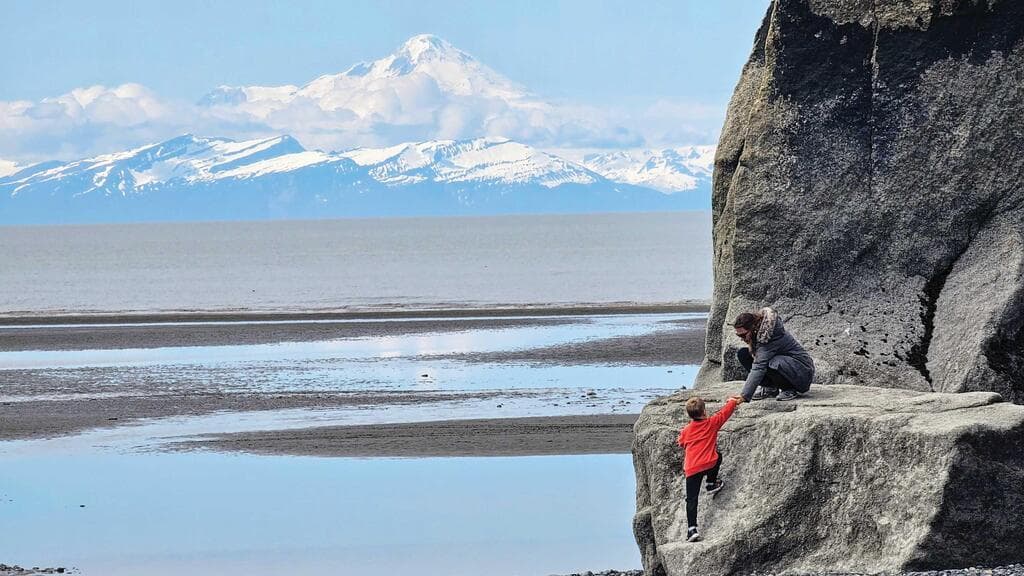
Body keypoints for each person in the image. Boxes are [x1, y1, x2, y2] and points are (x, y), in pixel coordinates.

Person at [677, 393, 743, 543]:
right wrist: (733, 402)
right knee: (718, 456)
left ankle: (691, 529)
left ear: (689, 415)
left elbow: (680, 441)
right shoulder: (712, 423)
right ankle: (711, 483)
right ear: (704, 412)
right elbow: (724, 414)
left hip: (692, 469)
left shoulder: (687, 430)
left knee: (691, 499)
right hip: (708, 463)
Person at [733, 307, 814, 402]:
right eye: (738, 335)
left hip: (802, 373)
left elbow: (759, 366)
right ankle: (770, 388)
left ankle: (789, 389)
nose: (741, 338)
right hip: (787, 366)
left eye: (743, 335)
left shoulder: (771, 336)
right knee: (743, 354)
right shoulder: (758, 333)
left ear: (752, 328)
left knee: (771, 362)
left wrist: (744, 396)